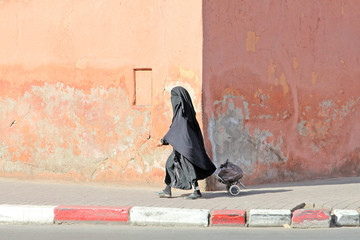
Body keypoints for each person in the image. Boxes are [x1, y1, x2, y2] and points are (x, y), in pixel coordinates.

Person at [157, 86, 216, 199]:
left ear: (179, 99)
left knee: (189, 169)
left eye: (174, 97)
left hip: (185, 148)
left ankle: (197, 191)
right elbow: (175, 129)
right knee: (170, 165)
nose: (172, 100)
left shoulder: (183, 115)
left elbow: (175, 130)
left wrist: (163, 141)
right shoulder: (183, 113)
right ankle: (167, 190)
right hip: (182, 147)